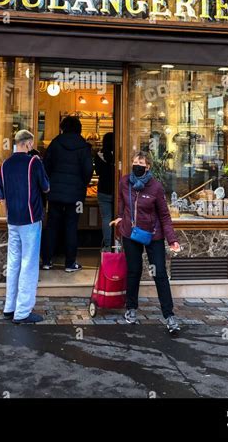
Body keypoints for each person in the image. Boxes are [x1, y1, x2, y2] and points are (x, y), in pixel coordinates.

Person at [111, 150, 182, 334]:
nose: (137, 165)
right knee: (134, 271)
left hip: (153, 235)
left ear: (147, 167)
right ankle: (131, 309)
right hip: (131, 233)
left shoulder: (155, 187)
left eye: (141, 163)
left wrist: (172, 239)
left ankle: (169, 315)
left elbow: (165, 216)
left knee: (159, 273)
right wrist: (120, 218)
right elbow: (121, 204)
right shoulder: (124, 182)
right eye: (135, 162)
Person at [0, 129, 50, 324]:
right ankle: (23, 312)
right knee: (29, 264)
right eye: (32, 144)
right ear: (28, 144)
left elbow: (1, 196)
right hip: (30, 219)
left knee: (13, 263)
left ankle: (9, 307)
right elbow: (46, 187)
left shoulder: (4, 165)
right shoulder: (34, 162)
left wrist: (9, 215)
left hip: (12, 220)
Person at [42, 115, 93, 272]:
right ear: (79, 129)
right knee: (72, 226)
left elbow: (46, 166)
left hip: (55, 193)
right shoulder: (84, 147)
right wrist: (82, 184)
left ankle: (47, 261)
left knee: (52, 226)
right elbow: (88, 170)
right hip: (76, 196)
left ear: (62, 127)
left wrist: (50, 183)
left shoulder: (55, 143)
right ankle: (70, 263)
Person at [94, 132, 115, 250]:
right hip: (117, 190)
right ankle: (118, 243)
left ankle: (107, 245)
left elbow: (97, 172)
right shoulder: (119, 154)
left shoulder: (99, 155)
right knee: (118, 217)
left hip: (103, 190)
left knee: (106, 218)